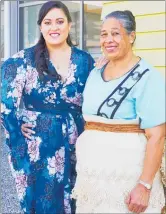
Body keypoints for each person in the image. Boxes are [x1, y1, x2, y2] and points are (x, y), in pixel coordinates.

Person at [1, 1, 98, 213]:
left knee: (78, 200)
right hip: (40, 147)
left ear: (70, 25)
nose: (54, 27)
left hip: (78, 143)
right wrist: (18, 128)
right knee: (44, 204)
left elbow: (96, 99)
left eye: (60, 21)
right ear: (41, 27)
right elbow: (6, 106)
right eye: (48, 22)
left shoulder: (85, 61)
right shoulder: (22, 61)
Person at [71, 10, 166, 213]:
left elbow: (157, 136)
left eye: (115, 33)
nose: (108, 40)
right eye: (104, 34)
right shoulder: (95, 73)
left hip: (128, 181)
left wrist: (145, 185)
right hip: (93, 180)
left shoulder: (148, 77)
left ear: (131, 36)